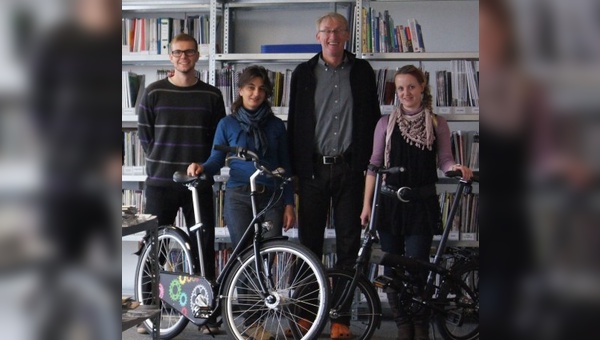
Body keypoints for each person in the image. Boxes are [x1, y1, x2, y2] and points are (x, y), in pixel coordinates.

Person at [359, 65, 473, 340]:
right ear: (396, 92)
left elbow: (444, 161)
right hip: (389, 204)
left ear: (423, 87)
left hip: (421, 204)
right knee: (391, 269)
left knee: (418, 265)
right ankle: (402, 325)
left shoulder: (437, 123)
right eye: (400, 88)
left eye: (411, 86)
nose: (406, 93)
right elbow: (374, 166)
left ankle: (420, 324)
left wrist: (456, 167)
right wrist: (366, 206)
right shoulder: (385, 124)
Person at [287, 12, 381, 339]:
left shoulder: (363, 72)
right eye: (326, 31)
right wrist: (295, 173)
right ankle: (305, 313)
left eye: (338, 30)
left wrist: (368, 165)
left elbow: (373, 121)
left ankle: (340, 317)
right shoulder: (303, 73)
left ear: (346, 35)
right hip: (312, 171)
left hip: (351, 170)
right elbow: (294, 124)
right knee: (308, 244)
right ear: (318, 36)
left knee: (348, 245)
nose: (332, 36)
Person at [187, 65, 295, 340]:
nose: (256, 93)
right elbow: (215, 161)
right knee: (245, 257)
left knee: (265, 257)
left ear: (267, 93)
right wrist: (201, 167)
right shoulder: (227, 124)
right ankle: (251, 323)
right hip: (238, 197)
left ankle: (254, 316)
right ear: (240, 90)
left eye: (261, 89)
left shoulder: (276, 125)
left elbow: (286, 166)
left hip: (270, 197)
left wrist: (289, 203)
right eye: (250, 87)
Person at [137, 33, 226, 334]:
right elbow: (146, 136)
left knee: (203, 248)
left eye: (189, 52)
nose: (183, 57)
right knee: (154, 250)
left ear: (197, 55)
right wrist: (164, 159)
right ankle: (150, 313)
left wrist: (202, 167)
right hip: (161, 182)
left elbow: (219, 142)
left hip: (197, 184)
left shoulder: (213, 95)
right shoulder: (153, 92)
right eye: (178, 52)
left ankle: (205, 315)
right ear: (170, 56)